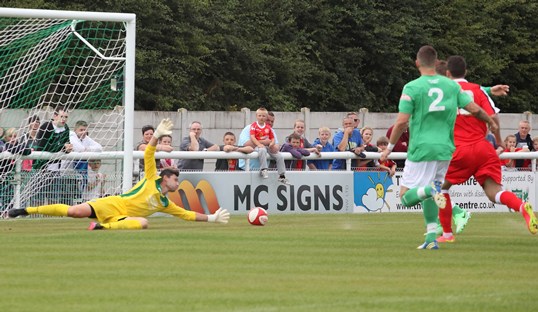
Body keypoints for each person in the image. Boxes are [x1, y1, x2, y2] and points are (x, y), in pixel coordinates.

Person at [8, 118, 231, 230]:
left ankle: (102, 227)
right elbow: (149, 153)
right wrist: (158, 134)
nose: (177, 182)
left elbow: (187, 214)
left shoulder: (165, 202)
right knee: (75, 211)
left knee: (143, 223)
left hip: (121, 219)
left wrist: (212, 218)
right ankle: (25, 210)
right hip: (113, 205)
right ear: (165, 178)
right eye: (175, 178)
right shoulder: (152, 179)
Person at [379, 45, 498, 250]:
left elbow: (400, 123)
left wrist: (389, 147)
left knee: (406, 197)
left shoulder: (412, 87)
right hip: (446, 149)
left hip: (421, 149)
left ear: (417, 63)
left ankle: (430, 190)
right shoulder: (451, 86)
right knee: (431, 193)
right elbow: (473, 108)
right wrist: (491, 122)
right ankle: (432, 236)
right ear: (436, 63)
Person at [436, 55, 537, 243]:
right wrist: (499, 143)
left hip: (461, 150)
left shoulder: (445, 91)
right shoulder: (477, 90)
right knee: (494, 193)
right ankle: (522, 207)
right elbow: (494, 118)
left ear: (447, 73)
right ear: (465, 72)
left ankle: (447, 234)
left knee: (440, 188)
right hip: (484, 148)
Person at [29, 107, 74, 205]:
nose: (64, 119)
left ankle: (50, 219)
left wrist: (68, 148)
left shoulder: (66, 128)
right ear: (55, 116)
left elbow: (66, 145)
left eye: (66, 117)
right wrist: (62, 147)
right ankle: (36, 218)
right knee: (38, 199)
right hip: (40, 168)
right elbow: (43, 147)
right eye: (61, 116)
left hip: (55, 168)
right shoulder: (46, 126)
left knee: (53, 198)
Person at [243, 107, 288, 184]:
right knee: (262, 149)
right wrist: (262, 143)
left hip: (267, 149)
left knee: (280, 156)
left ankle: (282, 175)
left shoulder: (269, 129)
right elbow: (248, 142)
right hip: (248, 168)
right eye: (260, 116)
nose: (261, 118)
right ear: (257, 116)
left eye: (263, 116)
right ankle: (263, 169)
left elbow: (274, 142)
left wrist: (271, 144)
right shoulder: (251, 127)